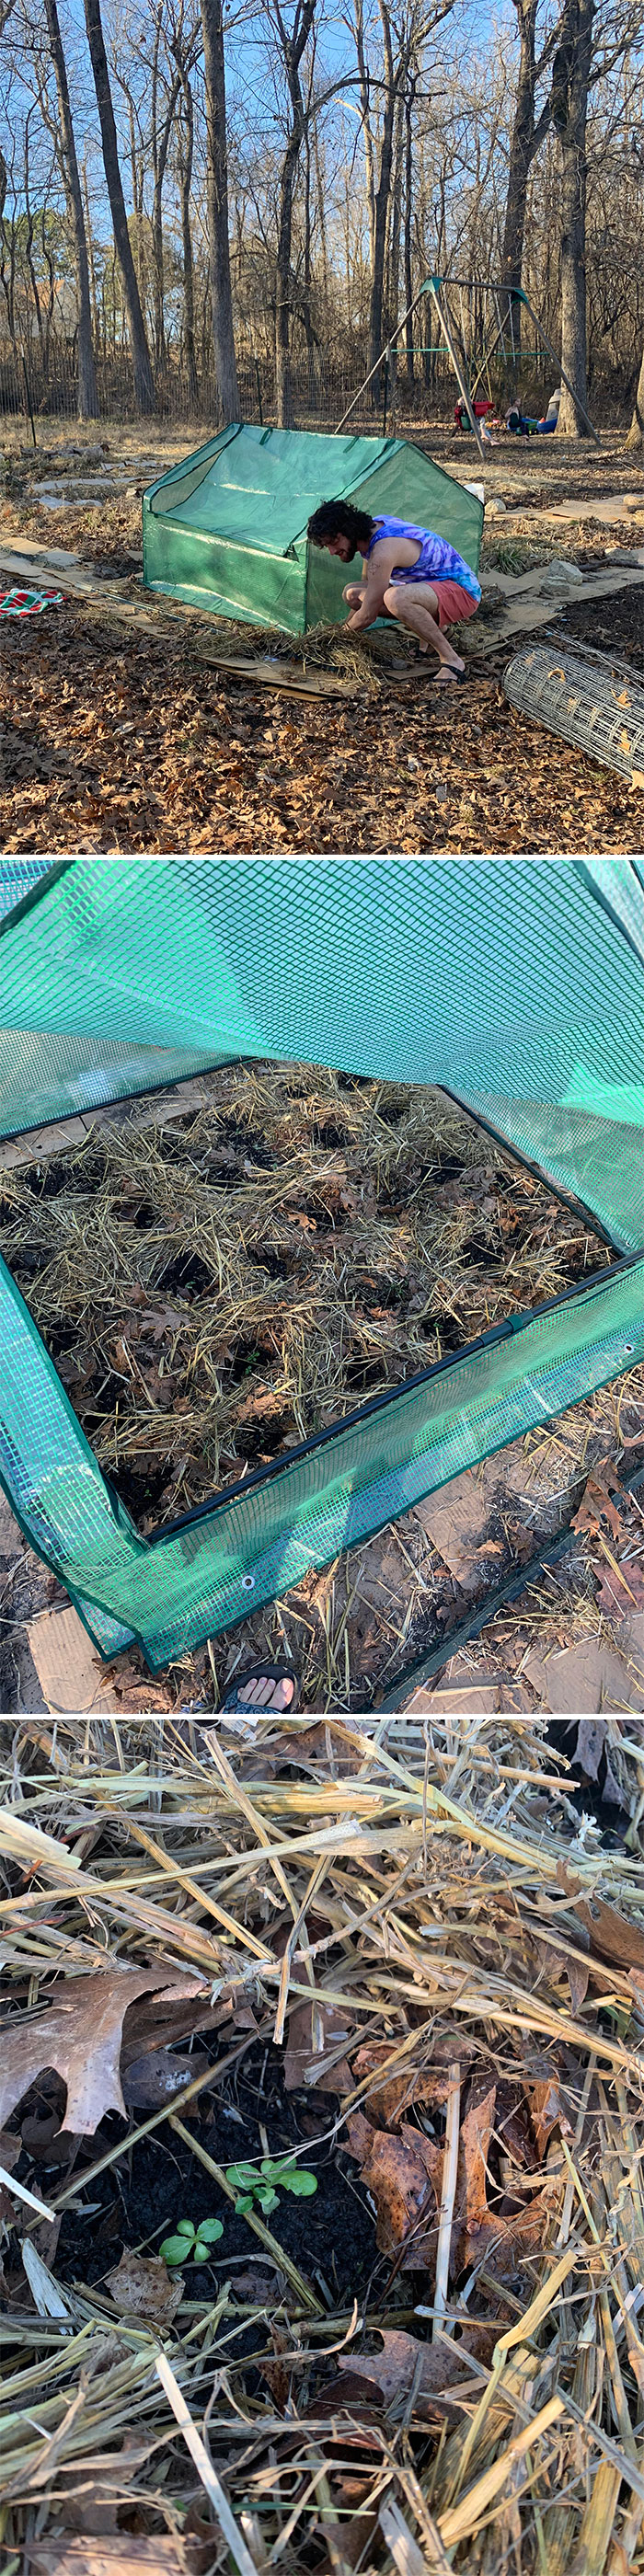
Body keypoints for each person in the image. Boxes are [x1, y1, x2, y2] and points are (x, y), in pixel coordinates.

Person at [306, 497, 480, 684]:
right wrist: (347, 629)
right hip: (432, 590)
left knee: (396, 598)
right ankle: (438, 633)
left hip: (462, 591)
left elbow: (367, 615)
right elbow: (368, 590)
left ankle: (452, 660)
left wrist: (334, 639)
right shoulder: (372, 530)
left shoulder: (384, 548)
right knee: (352, 593)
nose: (332, 551)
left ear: (349, 530)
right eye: (327, 546)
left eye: (334, 541)